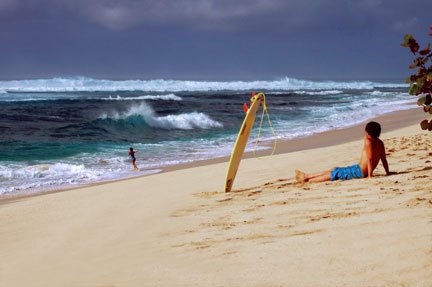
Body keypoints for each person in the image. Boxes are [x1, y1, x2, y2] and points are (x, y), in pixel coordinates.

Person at [295, 121, 390, 183]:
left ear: (368, 133)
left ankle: (309, 180)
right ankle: (308, 176)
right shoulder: (380, 143)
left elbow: (370, 159)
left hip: (359, 172)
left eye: (366, 132)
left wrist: (370, 175)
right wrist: (387, 172)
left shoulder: (368, 141)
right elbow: (383, 159)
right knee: (335, 169)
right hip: (358, 169)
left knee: (335, 174)